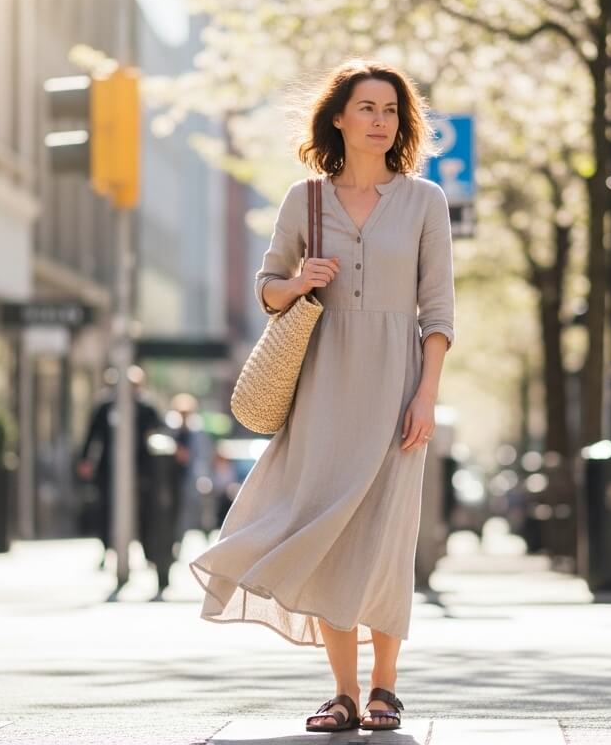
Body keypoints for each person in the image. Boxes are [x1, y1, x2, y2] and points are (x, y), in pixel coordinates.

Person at [189, 59, 454, 734]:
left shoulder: (425, 201)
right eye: (366, 107)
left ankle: (385, 688)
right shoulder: (304, 200)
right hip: (324, 384)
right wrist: (299, 279)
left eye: (390, 110)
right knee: (329, 532)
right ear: (338, 116)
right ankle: (342, 691)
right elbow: (269, 290)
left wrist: (426, 394)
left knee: (387, 534)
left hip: (397, 385)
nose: (379, 120)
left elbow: (438, 310)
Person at [76, 366, 167, 570]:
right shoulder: (106, 406)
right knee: (106, 511)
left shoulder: (146, 407)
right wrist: (86, 460)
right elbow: (93, 434)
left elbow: (159, 433)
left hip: (141, 470)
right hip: (109, 470)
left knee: (143, 514)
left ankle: (147, 554)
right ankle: (107, 550)